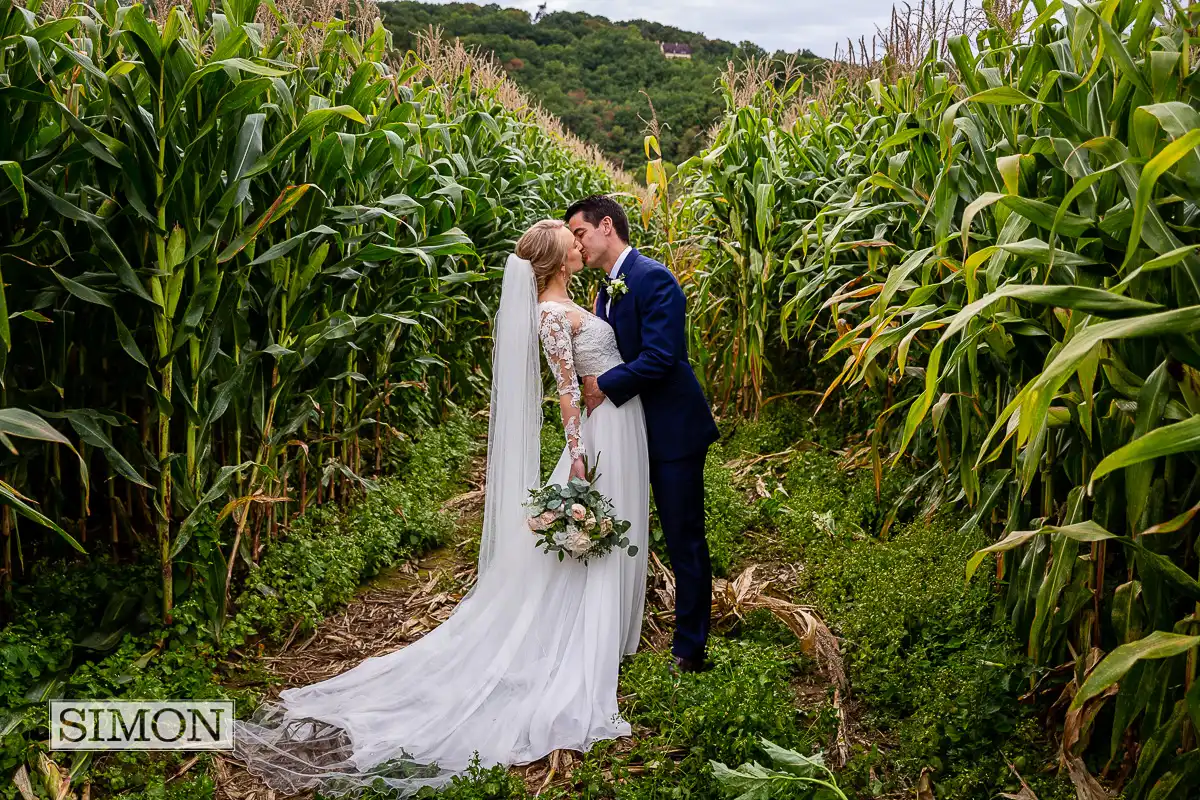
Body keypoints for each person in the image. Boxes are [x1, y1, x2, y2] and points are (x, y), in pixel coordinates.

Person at [231, 219, 650, 797]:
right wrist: (577, 457)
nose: (581, 246)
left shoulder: (575, 301)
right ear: (556, 261)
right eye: (571, 244)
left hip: (619, 424)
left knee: (604, 531)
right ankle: (589, 639)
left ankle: (609, 631)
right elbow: (565, 392)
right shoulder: (552, 317)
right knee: (590, 540)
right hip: (598, 437)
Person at [565, 194, 720, 675]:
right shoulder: (603, 291)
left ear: (606, 226)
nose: (576, 244)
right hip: (626, 433)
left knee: (683, 537)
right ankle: (610, 632)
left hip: (671, 431)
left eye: (580, 233)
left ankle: (689, 650)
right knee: (618, 528)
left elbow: (661, 357)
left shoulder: (654, 279)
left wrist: (601, 386)